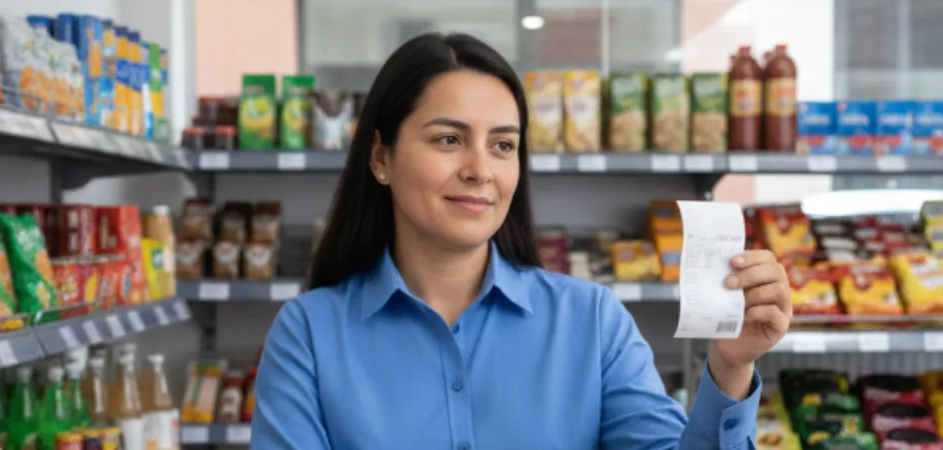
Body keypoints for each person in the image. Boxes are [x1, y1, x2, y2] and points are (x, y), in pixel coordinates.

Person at [251, 33, 792, 449]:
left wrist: (731, 366)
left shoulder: (591, 321)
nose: (480, 170)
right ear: (381, 157)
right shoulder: (309, 336)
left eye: (503, 145)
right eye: (448, 139)